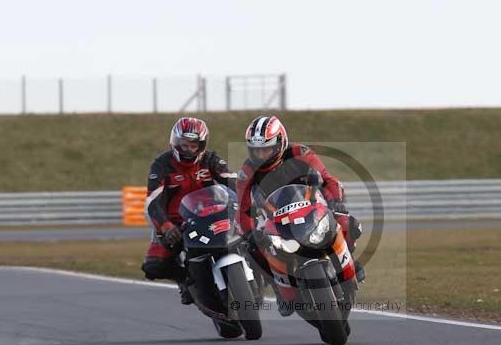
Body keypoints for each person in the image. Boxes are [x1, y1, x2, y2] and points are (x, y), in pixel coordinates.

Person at [236, 115, 364, 313]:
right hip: (275, 218)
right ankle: (280, 290)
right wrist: (249, 232)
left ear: (280, 142)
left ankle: (350, 263)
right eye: (256, 150)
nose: (261, 154)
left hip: (311, 207)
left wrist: (336, 203)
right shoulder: (247, 170)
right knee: (252, 247)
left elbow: (328, 180)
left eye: (266, 148)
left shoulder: (300, 153)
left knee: (346, 222)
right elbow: (243, 209)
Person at [141, 117, 236, 304]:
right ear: (175, 143)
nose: (189, 150)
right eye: (185, 145)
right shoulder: (162, 165)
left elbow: (234, 182)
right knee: (154, 266)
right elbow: (153, 201)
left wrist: (246, 203)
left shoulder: (211, 159)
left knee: (252, 238)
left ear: (202, 145)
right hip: (178, 223)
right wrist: (166, 226)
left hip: (213, 215)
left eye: (194, 145)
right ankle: (185, 279)